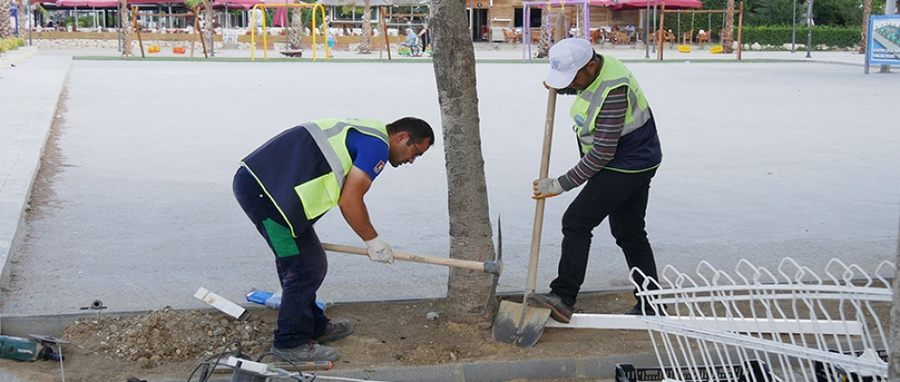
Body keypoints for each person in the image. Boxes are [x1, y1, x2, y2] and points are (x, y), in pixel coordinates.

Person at [233, 117, 434, 362]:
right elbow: (350, 201)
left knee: (310, 262)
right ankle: (290, 343)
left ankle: (315, 328)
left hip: (272, 190)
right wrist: (374, 242)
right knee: (302, 267)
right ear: (402, 137)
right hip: (265, 196)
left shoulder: (368, 133)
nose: (411, 160)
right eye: (415, 153)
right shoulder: (377, 147)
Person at [529, 38, 663, 323]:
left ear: (590, 66)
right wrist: (562, 87)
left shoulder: (614, 89)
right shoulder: (597, 70)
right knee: (630, 232)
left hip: (626, 164)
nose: (571, 83)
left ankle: (563, 297)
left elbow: (602, 153)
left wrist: (560, 184)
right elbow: (586, 90)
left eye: (573, 77)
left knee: (576, 221)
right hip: (636, 158)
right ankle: (652, 303)